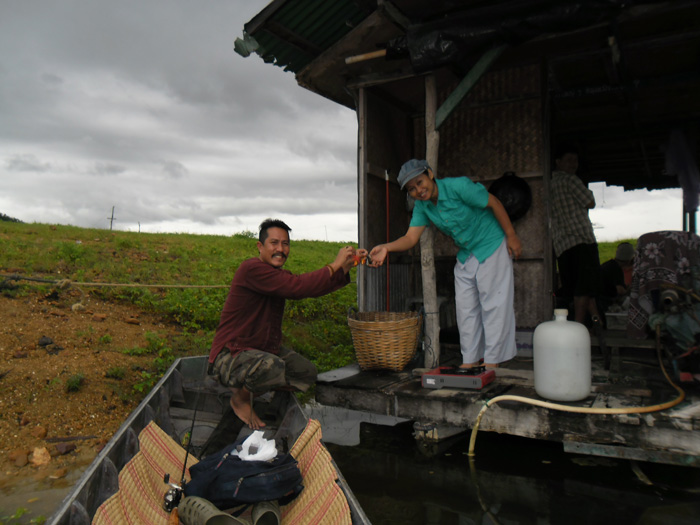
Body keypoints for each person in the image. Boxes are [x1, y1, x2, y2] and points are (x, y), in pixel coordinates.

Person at [208, 219, 363, 429]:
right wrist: (334, 265)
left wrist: (346, 266)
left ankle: (257, 393)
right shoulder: (251, 269)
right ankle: (240, 399)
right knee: (271, 367)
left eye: (285, 244)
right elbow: (297, 287)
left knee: (305, 372)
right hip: (230, 354)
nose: (280, 249)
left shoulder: (277, 276)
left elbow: (308, 288)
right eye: (274, 243)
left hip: (260, 352)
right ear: (260, 247)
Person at [368, 159, 522, 370]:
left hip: (491, 243)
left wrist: (511, 236)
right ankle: (470, 361)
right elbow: (410, 238)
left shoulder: (458, 187)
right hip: (467, 253)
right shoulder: (422, 207)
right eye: (411, 189)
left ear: (430, 174)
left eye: (420, 182)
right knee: (465, 309)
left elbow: (494, 202)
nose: (418, 191)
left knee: (494, 305)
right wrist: (386, 247)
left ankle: (492, 363)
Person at [550, 144, 603, 327]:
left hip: (562, 245)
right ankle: (579, 328)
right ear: (558, 162)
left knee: (578, 287)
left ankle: (596, 321)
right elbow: (590, 202)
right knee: (584, 289)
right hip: (581, 239)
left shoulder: (548, 184)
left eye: (576, 160)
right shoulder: (571, 180)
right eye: (569, 160)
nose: (574, 164)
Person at [599, 241, 635, 311]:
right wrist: (630, 288)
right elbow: (620, 291)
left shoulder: (606, 265)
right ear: (629, 260)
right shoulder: (616, 269)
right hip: (606, 304)